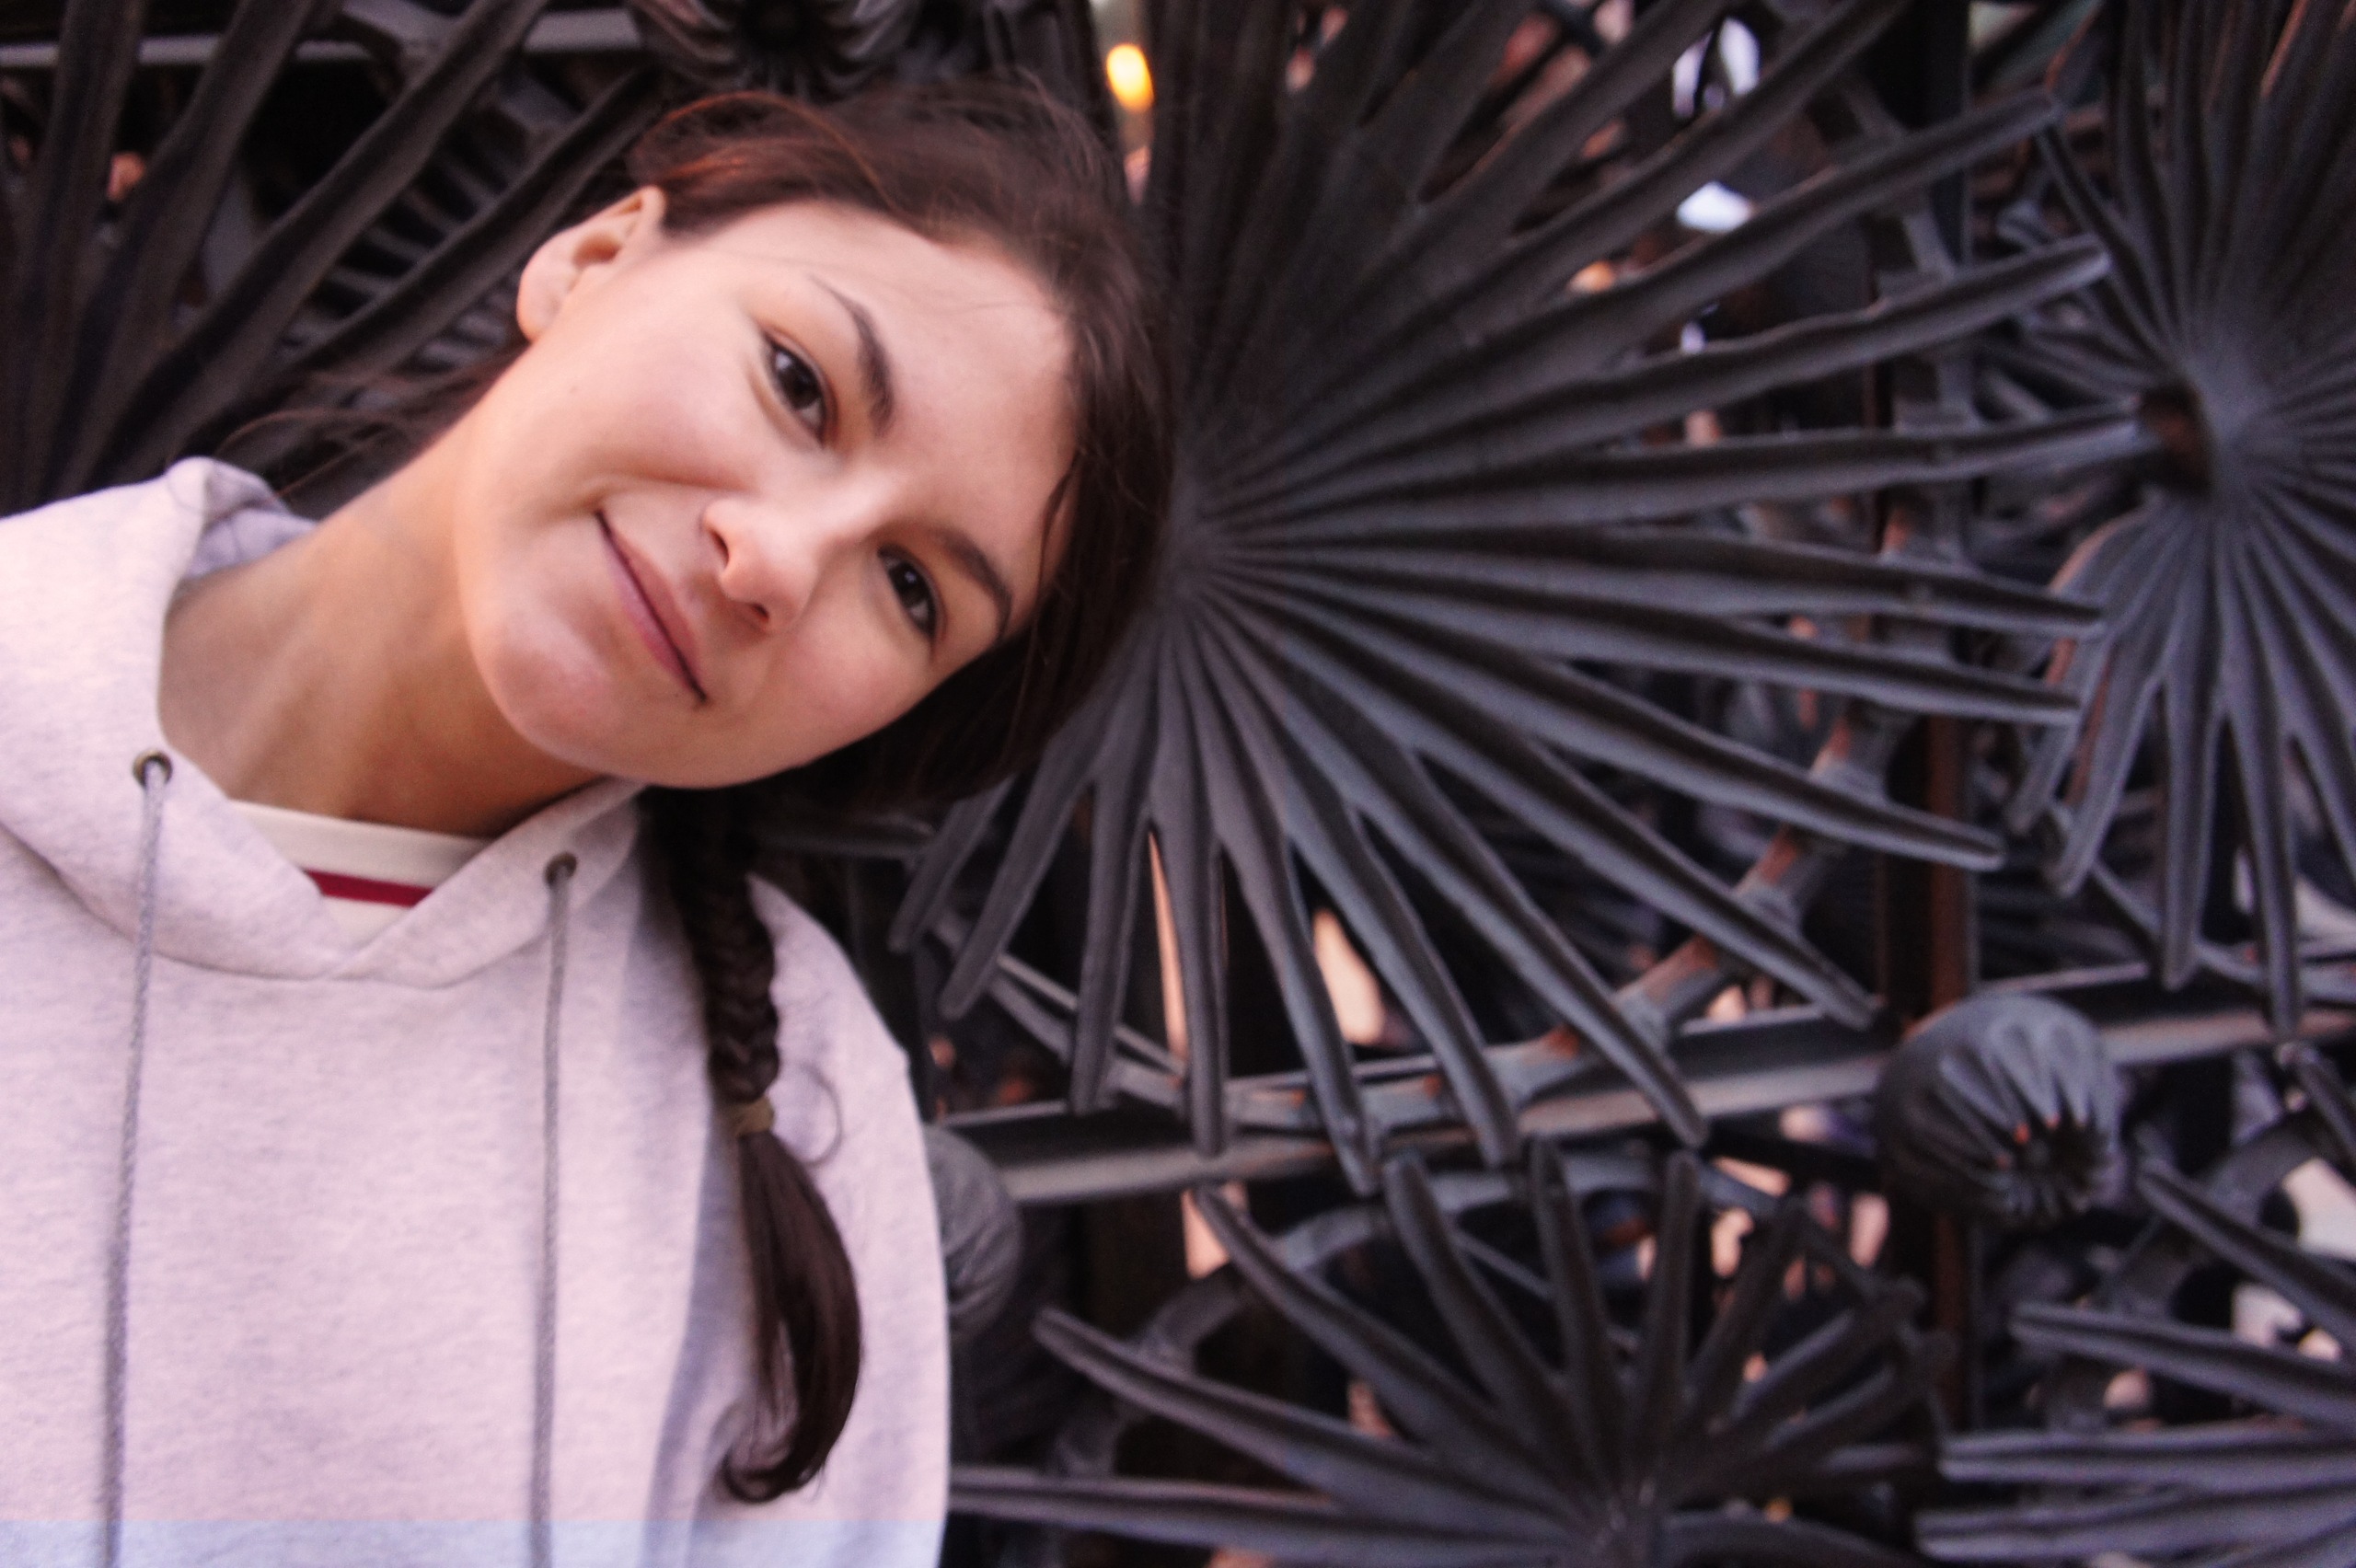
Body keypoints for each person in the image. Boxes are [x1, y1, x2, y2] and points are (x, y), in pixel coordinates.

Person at [0, 79, 1166, 1567]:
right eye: (800, 386)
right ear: (597, 257)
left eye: (911, 589)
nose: (775, 560)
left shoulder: (797, 1111)